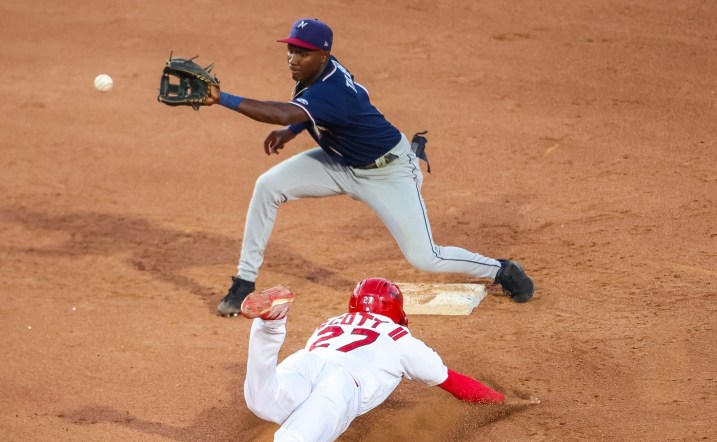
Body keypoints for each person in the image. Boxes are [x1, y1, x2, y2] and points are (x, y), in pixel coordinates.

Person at [204, 18, 535, 317]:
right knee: (268, 185)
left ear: (323, 55)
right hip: (341, 163)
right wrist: (290, 132)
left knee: (425, 257)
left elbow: (285, 112)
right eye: (291, 51)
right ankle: (244, 282)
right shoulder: (317, 73)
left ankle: (501, 270)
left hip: (388, 173)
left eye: (302, 53)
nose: (293, 58)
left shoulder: (331, 89)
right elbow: (307, 113)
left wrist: (223, 99)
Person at [193, 278, 539, 442]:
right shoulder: (401, 338)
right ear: (395, 310)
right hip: (344, 382)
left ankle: (272, 324)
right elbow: (454, 382)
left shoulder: (333, 321)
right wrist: (501, 400)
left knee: (263, 400)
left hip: (307, 360)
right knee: (302, 439)